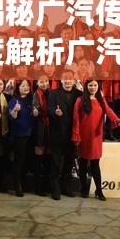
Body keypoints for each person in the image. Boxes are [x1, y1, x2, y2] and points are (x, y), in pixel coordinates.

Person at [72, 80, 120, 200]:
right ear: (86, 86)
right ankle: (84, 189)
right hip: (83, 136)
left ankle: (99, 191)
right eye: (90, 85)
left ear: (98, 86)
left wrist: (116, 119)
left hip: (96, 137)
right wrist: (76, 135)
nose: (93, 87)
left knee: (95, 164)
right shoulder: (80, 100)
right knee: (83, 164)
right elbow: (76, 119)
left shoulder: (101, 99)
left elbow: (108, 110)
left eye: (95, 85)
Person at [48, 69, 82, 200]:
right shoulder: (53, 93)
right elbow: (50, 110)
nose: (68, 81)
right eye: (65, 78)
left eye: (70, 78)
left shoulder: (79, 94)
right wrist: (55, 113)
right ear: (61, 80)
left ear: (74, 80)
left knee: (69, 162)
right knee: (56, 163)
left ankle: (66, 187)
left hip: (72, 134)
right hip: (57, 134)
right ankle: (55, 189)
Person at [8, 79, 34, 197]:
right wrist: (15, 110)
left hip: (31, 135)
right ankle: (17, 185)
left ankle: (23, 183)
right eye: (23, 86)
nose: (26, 87)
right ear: (18, 88)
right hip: (19, 135)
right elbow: (12, 117)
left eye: (27, 85)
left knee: (27, 161)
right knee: (19, 161)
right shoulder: (14, 100)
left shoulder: (31, 100)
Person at [32, 73, 51, 196]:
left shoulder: (51, 93)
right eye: (41, 82)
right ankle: (38, 187)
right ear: (37, 83)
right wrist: (36, 112)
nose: (44, 84)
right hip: (40, 128)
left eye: (46, 81)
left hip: (49, 128)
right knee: (39, 159)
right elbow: (35, 110)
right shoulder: (36, 94)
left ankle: (46, 186)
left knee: (48, 159)